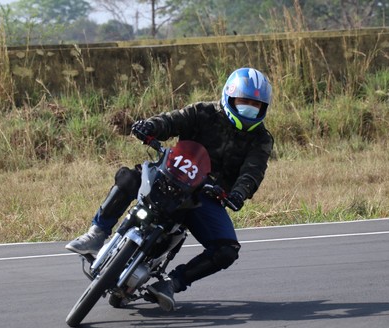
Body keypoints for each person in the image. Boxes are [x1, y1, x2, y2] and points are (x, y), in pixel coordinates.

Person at [65, 67, 274, 312]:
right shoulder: (202, 111)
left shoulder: (261, 138)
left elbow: (253, 171)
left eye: (255, 105)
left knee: (227, 250)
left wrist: (239, 193)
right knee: (129, 177)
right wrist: (150, 126)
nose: (249, 108)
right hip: (171, 176)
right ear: (229, 97)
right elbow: (171, 120)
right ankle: (97, 232)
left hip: (205, 197)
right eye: (243, 101)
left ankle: (172, 283)